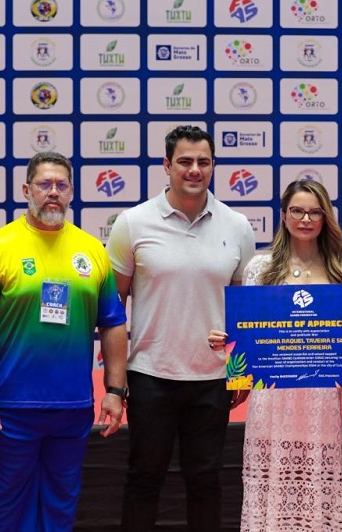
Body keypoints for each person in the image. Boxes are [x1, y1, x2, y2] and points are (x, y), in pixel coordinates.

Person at [0, 152, 128, 531]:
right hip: (11, 406)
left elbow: (114, 324)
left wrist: (115, 390)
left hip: (72, 406)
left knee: (61, 502)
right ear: (26, 190)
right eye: (44, 184)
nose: (53, 193)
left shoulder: (92, 251)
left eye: (61, 185)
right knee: (7, 502)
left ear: (71, 192)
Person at [106, 125, 255, 532]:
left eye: (203, 162)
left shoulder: (238, 225)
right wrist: (115, 385)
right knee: (143, 478)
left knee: (206, 481)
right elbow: (112, 308)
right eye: (185, 162)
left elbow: (244, 308)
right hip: (151, 373)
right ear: (166, 166)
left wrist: (241, 369)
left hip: (212, 378)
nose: (194, 170)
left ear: (213, 167)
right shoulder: (132, 222)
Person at [208, 179, 342, 530]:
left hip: (321, 399)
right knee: (270, 487)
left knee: (317, 487)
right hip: (272, 397)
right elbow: (249, 333)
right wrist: (227, 342)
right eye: (297, 211)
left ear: (325, 217)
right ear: (284, 215)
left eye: (314, 211)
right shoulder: (261, 269)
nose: (305, 219)